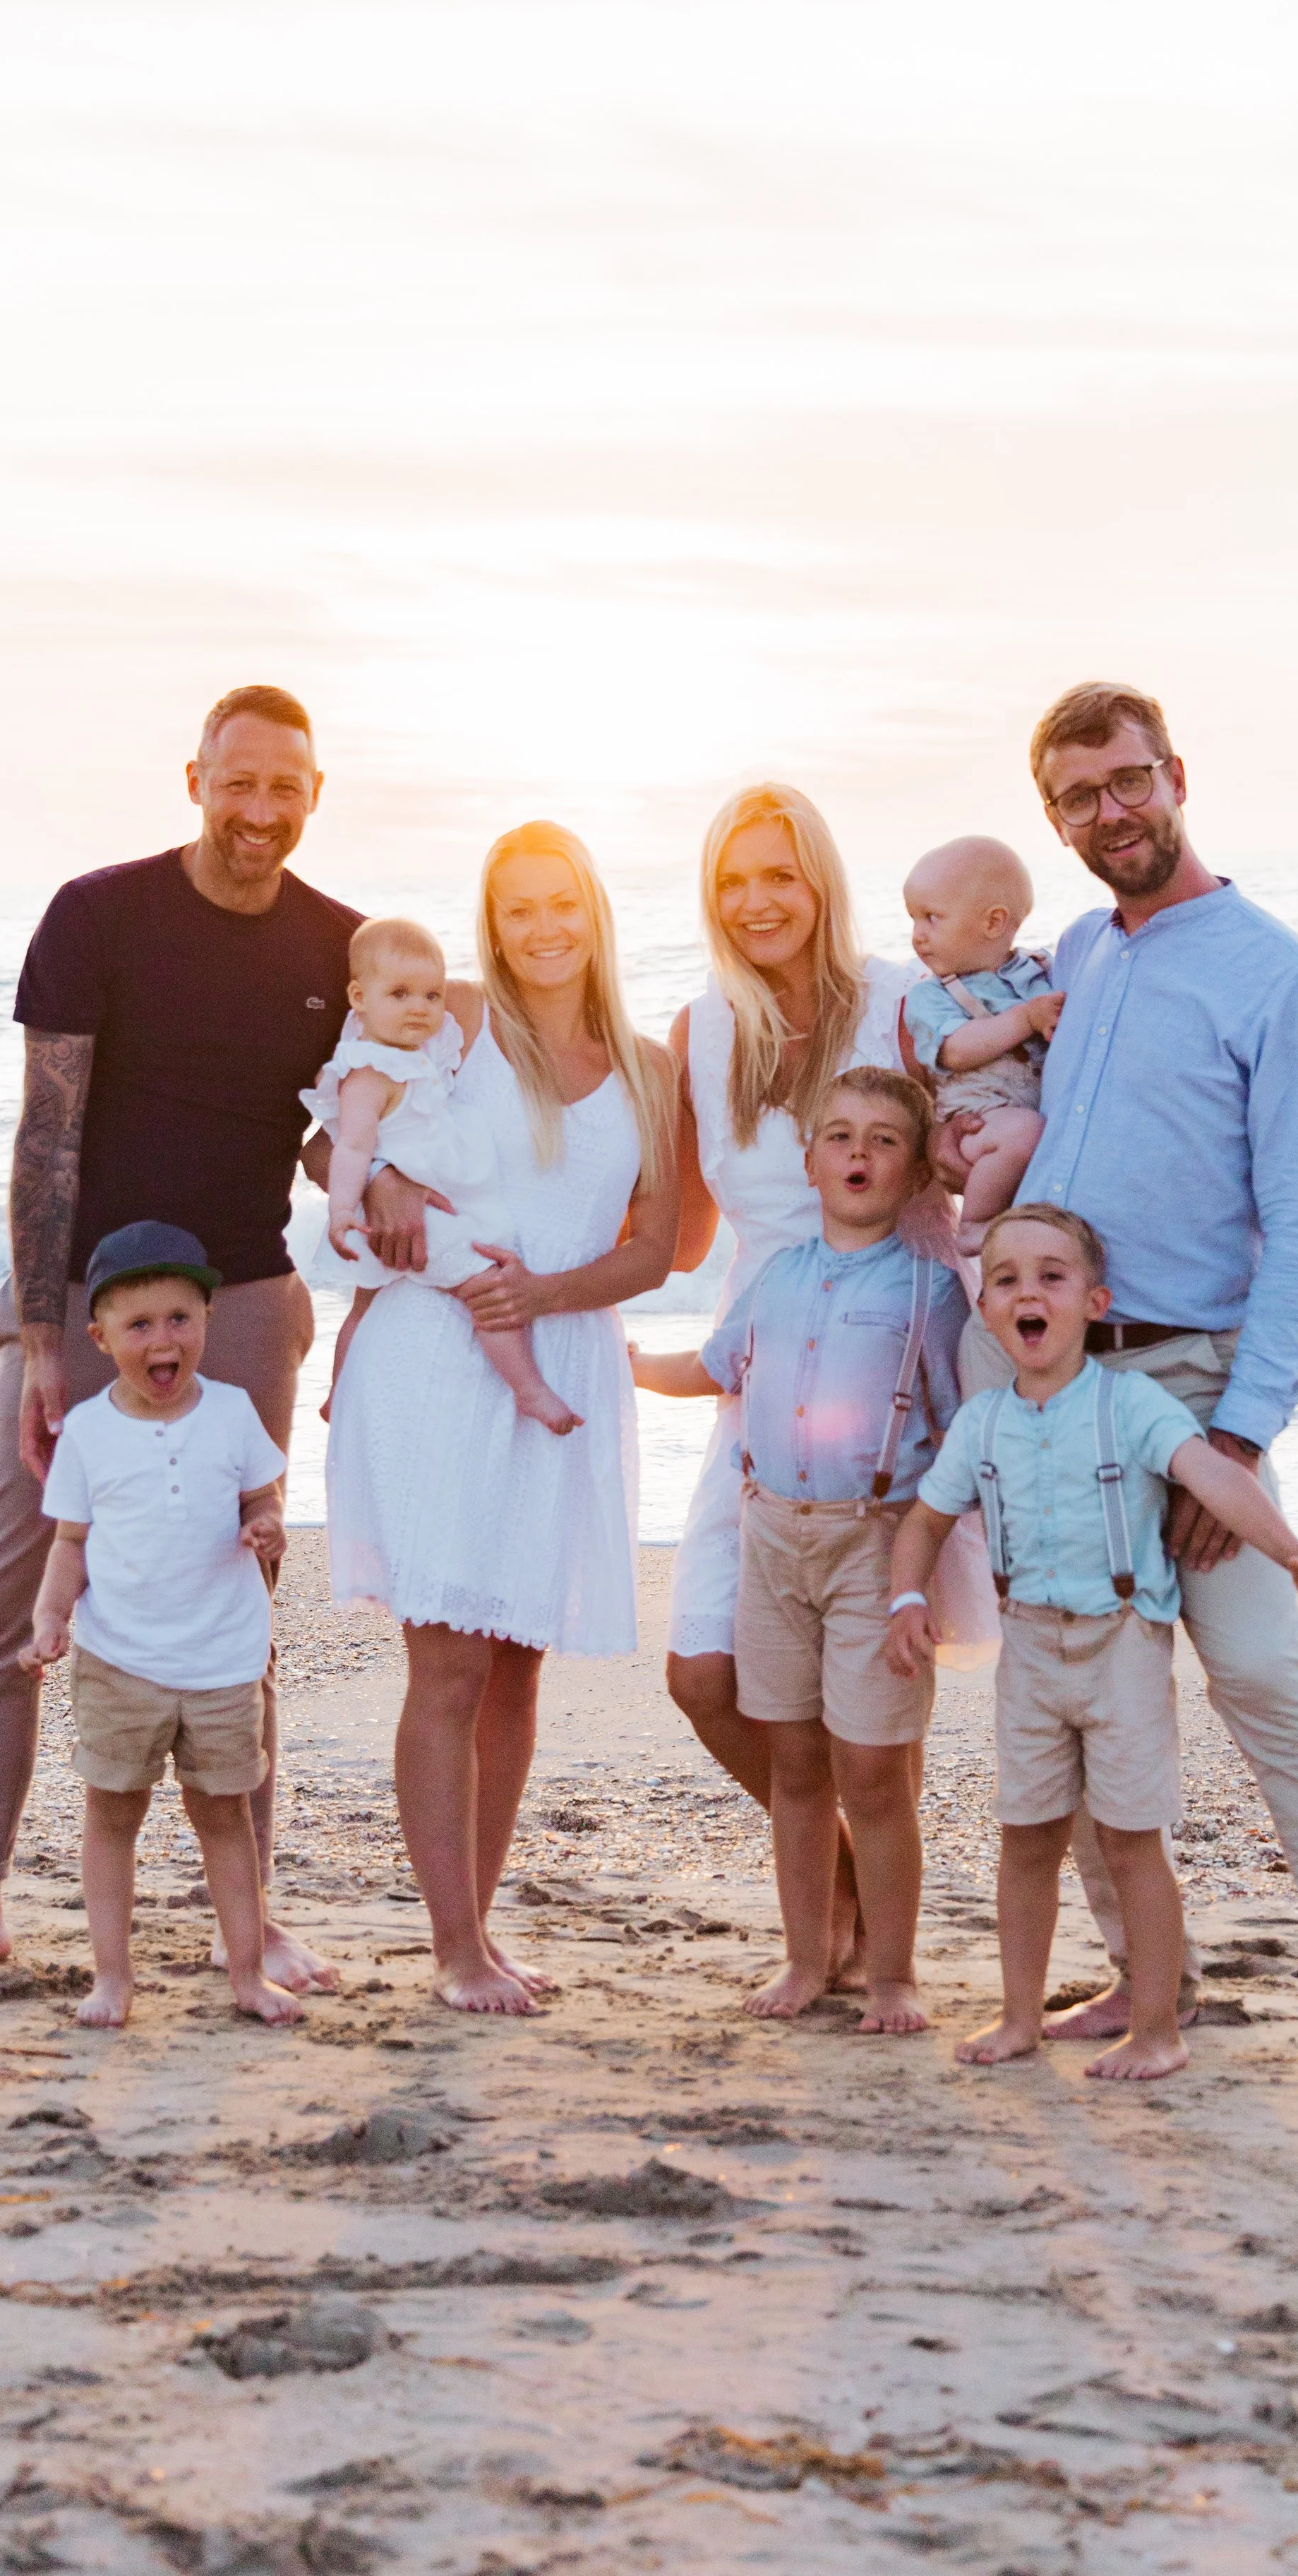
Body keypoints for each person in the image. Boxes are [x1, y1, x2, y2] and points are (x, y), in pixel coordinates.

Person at [941, 678, 1298, 2107]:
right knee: (1070, 1671)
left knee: (1265, 1679)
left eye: (1127, 782)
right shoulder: (1080, 945)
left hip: (1192, 1389)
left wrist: (1239, 1437)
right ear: (1054, 818)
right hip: (1048, 1373)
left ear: (1175, 776)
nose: (1108, 813)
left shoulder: (1280, 977)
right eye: (1077, 797)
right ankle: (1143, 1977)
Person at [0, 685, 359, 2000]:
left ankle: (249, 1923)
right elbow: (47, 1136)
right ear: (195, 779)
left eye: (287, 789)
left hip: (246, 1306)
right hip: (85, 1310)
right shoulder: (98, 914)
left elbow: (331, 1138)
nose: (260, 811)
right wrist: (45, 1339)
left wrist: (416, 1204)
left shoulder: (333, 947)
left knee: (237, 1612)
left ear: (314, 796)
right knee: (10, 1600)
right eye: (240, 783)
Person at [323, 822, 679, 2015]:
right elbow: (338, 1121)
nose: (544, 928)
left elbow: (658, 1249)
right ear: (493, 921)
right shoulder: (454, 1018)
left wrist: (549, 1293)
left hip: (561, 1352)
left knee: (519, 1666)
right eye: (519, 907)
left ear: (596, 910)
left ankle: (477, 1923)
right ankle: (456, 1949)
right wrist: (384, 1184)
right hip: (437, 1357)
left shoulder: (646, 1065)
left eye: (562, 902)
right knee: (452, 1660)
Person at [886, 1204, 1298, 2083]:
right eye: (1008, 1279)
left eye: (1052, 1276)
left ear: (1094, 1300)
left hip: (1123, 1649)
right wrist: (907, 1595)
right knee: (1024, 1837)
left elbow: (1213, 1474)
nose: (1029, 1292)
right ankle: (1019, 2017)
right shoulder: (984, 1423)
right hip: (1027, 1654)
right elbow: (925, 1517)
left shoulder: (1132, 1404)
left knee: (1131, 1839)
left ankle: (1157, 2026)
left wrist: (1293, 1556)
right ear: (986, 1310)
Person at [664, 781, 985, 1972]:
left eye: (779, 874)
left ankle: (880, 1944)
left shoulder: (902, 1004)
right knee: (705, 1673)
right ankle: (842, 1888)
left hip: (899, 1381)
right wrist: (512, 1291)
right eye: (734, 881)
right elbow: (679, 1239)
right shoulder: (701, 1034)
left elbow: (978, 1145)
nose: (758, 902)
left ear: (821, 883)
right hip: (762, 1379)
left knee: (881, 1689)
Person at [634, 1070, 966, 2033]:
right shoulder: (776, 1274)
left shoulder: (931, 1293)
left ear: (912, 1175)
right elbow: (709, 1367)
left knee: (872, 1764)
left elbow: (966, 1425)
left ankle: (894, 1973)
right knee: (794, 1762)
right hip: (769, 1534)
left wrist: (926, 1566)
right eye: (841, 1137)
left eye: (884, 1141)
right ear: (812, 1160)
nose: (859, 1153)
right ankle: (808, 1956)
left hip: (876, 1545)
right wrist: (614, 1365)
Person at [20, 1223, 303, 2032]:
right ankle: (113, 1979)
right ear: (101, 1337)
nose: (163, 1339)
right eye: (139, 1325)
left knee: (225, 1816)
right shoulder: (87, 1432)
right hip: (120, 1660)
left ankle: (247, 1973)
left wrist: (267, 1526)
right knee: (113, 1813)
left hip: (222, 1658)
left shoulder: (234, 1412)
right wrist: (49, 1617)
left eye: (180, 1318)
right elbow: (71, 1544)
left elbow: (263, 1496)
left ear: (207, 1320)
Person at [298, 914, 578, 1433]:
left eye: (431, 996)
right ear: (359, 999)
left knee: (365, 1303)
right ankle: (529, 1389)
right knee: (485, 1287)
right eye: (400, 994)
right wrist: (341, 1212)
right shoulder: (366, 1072)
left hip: (428, 1203)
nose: (419, 1008)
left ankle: (340, 1395)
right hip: (414, 1216)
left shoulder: (418, 1055)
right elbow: (350, 1144)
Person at [902, 837, 1064, 1252]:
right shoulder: (931, 996)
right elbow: (956, 1049)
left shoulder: (1042, 970)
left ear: (993, 923)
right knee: (1024, 1131)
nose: (917, 936)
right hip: (980, 1122)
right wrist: (1026, 1018)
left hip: (1032, 1114)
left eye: (931, 918)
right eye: (913, 920)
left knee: (1036, 1133)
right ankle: (975, 1222)